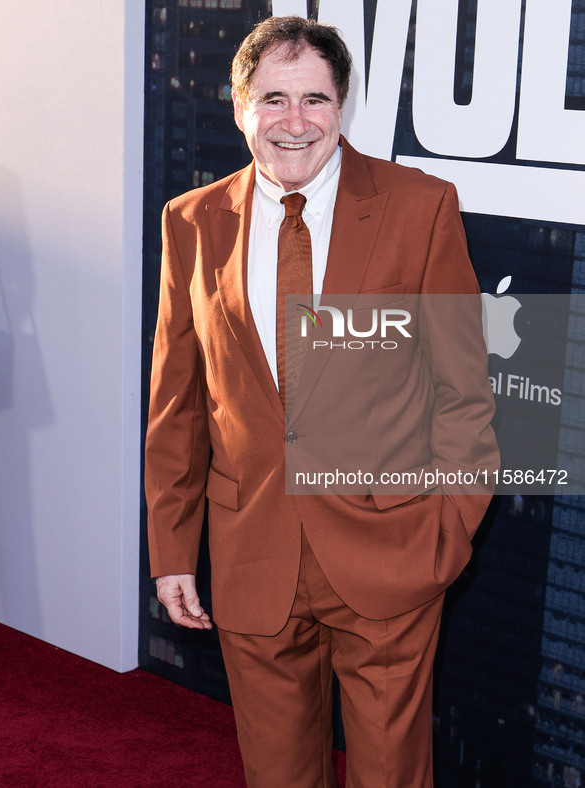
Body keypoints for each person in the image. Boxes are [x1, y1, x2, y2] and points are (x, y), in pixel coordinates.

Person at [145, 15, 498, 788]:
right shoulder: (192, 220)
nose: (294, 122)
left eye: (315, 99)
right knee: (275, 774)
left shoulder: (420, 204)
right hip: (251, 551)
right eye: (273, 98)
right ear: (239, 106)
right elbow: (178, 401)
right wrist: (173, 550)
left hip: (390, 551)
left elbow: (465, 391)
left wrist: (446, 531)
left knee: (389, 777)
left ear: (342, 105)